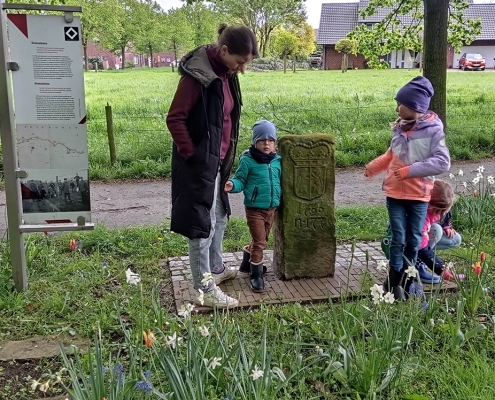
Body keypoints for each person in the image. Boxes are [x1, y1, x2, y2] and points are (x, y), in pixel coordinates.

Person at [166, 23, 258, 309]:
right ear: (225, 50)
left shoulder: (226, 73)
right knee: (200, 227)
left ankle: (216, 270)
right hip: (199, 165)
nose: (242, 69)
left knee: (219, 217)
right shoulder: (197, 78)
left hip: (219, 161)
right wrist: (192, 155)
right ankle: (204, 288)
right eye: (240, 62)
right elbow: (175, 118)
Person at [364, 76, 451, 300]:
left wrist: (408, 171)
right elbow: (391, 156)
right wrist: (373, 168)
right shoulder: (400, 129)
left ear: (414, 107)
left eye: (399, 104)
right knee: (398, 237)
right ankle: (394, 285)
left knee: (413, 239)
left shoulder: (433, 131)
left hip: (419, 195)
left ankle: (407, 280)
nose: (396, 108)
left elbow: (443, 162)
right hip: (394, 194)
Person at [224, 120, 281, 293]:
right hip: (254, 209)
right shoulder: (248, 161)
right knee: (260, 242)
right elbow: (240, 179)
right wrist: (232, 185)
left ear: (275, 143)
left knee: (261, 239)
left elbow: (281, 181)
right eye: (262, 140)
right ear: (255, 142)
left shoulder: (277, 161)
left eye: (270, 140)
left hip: (271, 209)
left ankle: (246, 264)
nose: (266, 144)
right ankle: (256, 276)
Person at [416, 180, 458, 281]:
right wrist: (440, 269)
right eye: (440, 211)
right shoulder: (421, 215)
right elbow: (421, 246)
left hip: (423, 234)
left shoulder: (438, 204)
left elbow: (446, 211)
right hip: (406, 242)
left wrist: (446, 225)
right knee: (436, 230)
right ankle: (417, 265)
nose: (442, 214)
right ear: (432, 205)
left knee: (456, 239)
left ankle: (425, 260)